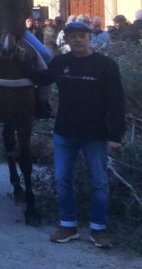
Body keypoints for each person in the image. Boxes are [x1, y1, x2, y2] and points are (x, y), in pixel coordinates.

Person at [26, 20, 125, 248]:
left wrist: (115, 136)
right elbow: (41, 79)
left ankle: (98, 229)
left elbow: (117, 102)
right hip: (65, 133)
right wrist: (19, 62)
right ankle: (68, 225)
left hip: (96, 136)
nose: (77, 40)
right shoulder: (60, 62)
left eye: (82, 35)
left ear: (90, 38)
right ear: (67, 40)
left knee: (99, 182)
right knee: (62, 180)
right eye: (72, 36)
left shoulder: (106, 65)